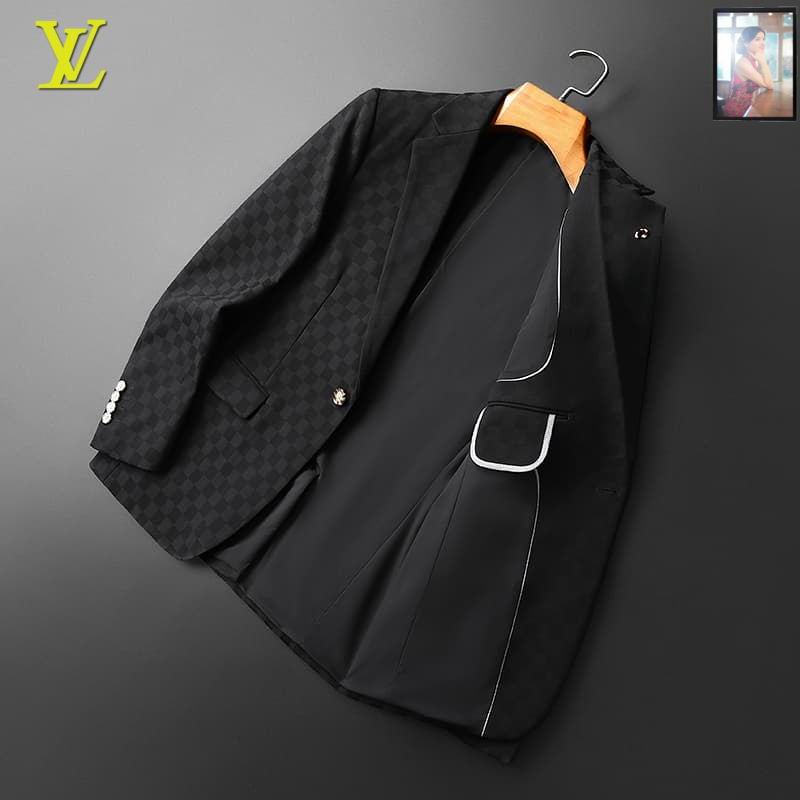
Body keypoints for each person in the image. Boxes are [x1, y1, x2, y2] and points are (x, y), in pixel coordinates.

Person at [721, 25, 774, 117]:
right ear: (746, 43)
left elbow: (766, 81)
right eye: (757, 39)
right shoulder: (743, 63)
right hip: (738, 110)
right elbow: (769, 85)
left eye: (763, 39)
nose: (763, 43)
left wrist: (761, 61)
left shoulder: (753, 60)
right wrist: (762, 61)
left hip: (749, 106)